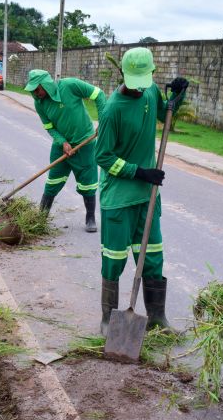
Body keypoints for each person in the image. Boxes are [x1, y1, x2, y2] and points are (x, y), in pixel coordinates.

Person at [95, 47, 188, 335]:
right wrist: (139, 171)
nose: (138, 89)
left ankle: (157, 318)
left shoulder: (148, 92)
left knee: (153, 256)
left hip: (147, 197)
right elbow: (103, 156)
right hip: (119, 199)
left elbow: (165, 112)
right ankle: (108, 320)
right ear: (122, 74)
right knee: (114, 260)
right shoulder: (112, 110)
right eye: (133, 81)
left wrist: (177, 96)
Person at [25, 69, 106, 232]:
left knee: (88, 183)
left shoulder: (70, 85)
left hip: (84, 143)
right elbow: (49, 126)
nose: (35, 93)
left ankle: (90, 218)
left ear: (46, 85)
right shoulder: (39, 103)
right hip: (61, 146)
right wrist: (62, 142)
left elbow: (99, 94)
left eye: (37, 89)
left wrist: (103, 121)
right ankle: (40, 218)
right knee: (53, 181)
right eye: (32, 90)